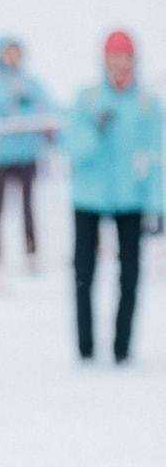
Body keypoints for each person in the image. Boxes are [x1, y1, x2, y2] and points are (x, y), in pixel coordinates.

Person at [65, 31, 162, 364]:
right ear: (104, 61)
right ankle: (85, 348)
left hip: (130, 199)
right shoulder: (87, 100)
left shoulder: (147, 105)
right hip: (89, 199)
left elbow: (156, 157)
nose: (120, 65)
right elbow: (73, 150)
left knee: (131, 274)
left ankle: (122, 348)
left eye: (126, 57)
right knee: (83, 273)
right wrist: (96, 129)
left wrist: (158, 205)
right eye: (114, 58)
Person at [0, 37, 57, 265]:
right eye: (8, 52)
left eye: (16, 52)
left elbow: (48, 111)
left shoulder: (31, 84)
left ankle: (31, 251)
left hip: (27, 154)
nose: (12, 57)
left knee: (28, 205)